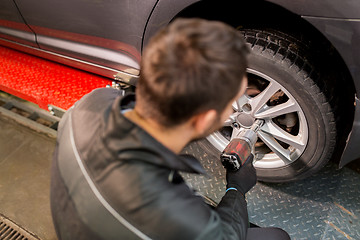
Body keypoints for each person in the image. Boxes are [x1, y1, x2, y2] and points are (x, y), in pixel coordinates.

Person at [50, 18, 290, 240]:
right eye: (231, 104)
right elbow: (224, 236)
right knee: (276, 237)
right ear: (205, 119)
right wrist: (236, 188)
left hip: (77, 218)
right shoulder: (170, 208)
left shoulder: (92, 102)